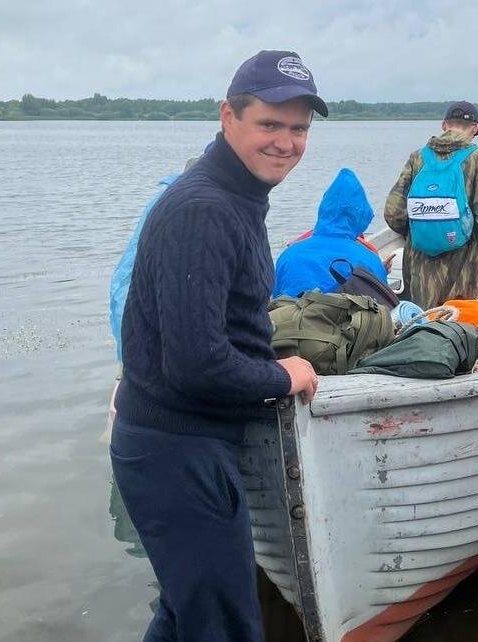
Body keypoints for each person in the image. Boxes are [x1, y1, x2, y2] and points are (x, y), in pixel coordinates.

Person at [110, 50, 326, 642]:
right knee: (223, 626)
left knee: (187, 616)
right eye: (270, 124)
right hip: (175, 451)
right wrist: (285, 375)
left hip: (185, 444)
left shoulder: (237, 198)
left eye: (299, 129)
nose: (286, 143)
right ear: (228, 116)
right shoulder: (204, 209)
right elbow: (197, 363)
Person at [384, 101, 478, 310]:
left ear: (444, 125)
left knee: (422, 317)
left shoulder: (418, 157)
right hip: (463, 266)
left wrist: (418, 231)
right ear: (475, 128)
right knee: (460, 320)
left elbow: (394, 212)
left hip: (419, 265)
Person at [272, 167, 388, 297]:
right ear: (361, 215)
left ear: (324, 210)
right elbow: (383, 307)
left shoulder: (288, 256)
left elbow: (275, 300)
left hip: (294, 316)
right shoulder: (370, 260)